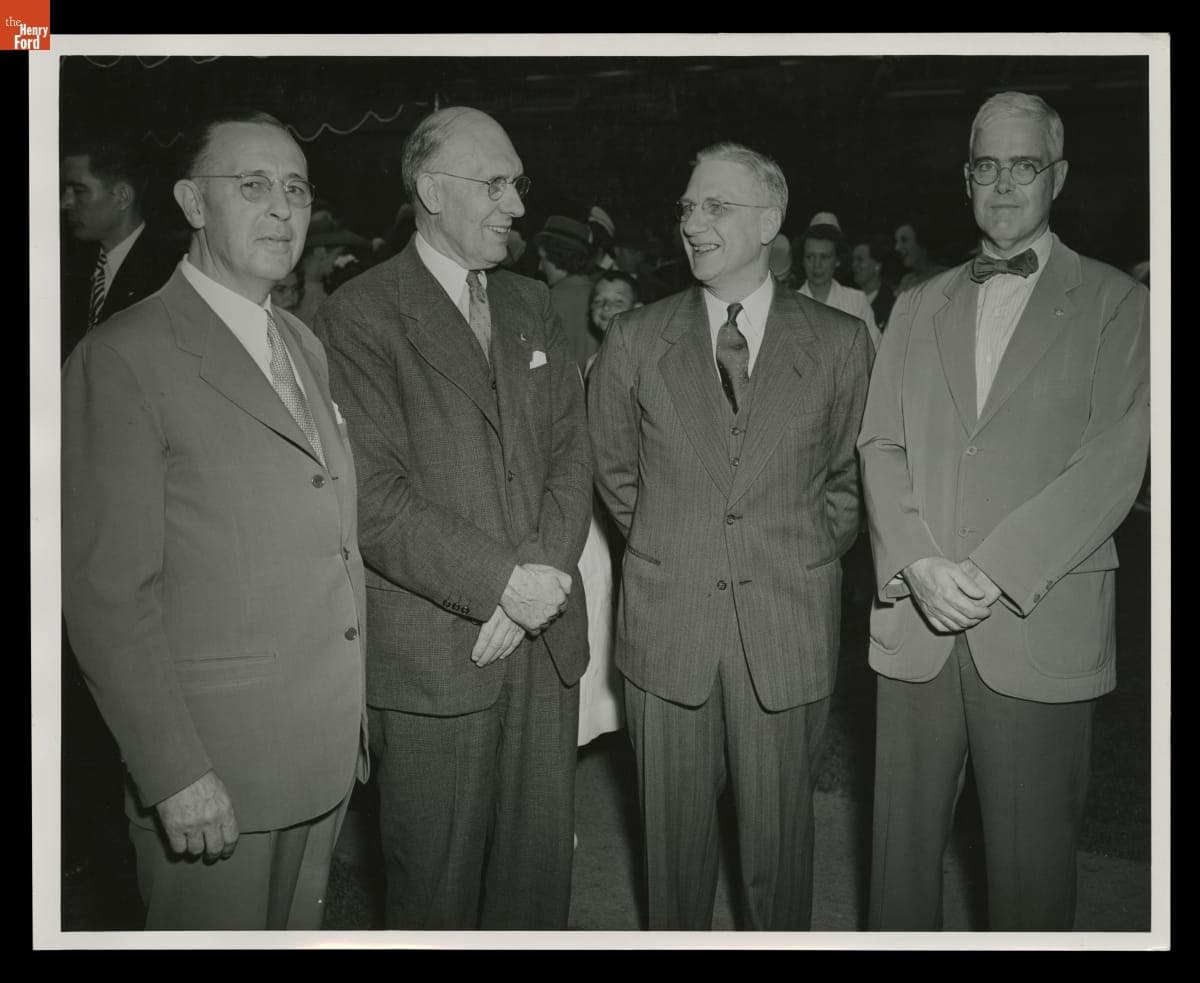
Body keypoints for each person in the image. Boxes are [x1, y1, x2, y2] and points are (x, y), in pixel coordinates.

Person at [60, 108, 369, 930]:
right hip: (217, 769)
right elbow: (105, 593)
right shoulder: (122, 357)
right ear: (194, 204)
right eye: (253, 185)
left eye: (297, 188)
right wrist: (172, 771)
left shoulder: (301, 341)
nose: (282, 208)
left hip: (319, 748)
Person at [858, 91, 1150, 931]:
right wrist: (916, 562)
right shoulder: (918, 305)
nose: (1005, 184)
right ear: (966, 180)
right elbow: (879, 443)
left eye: (1025, 166)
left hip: (1034, 621)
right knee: (897, 875)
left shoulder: (1120, 305)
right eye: (987, 166)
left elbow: (1116, 459)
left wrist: (992, 570)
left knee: (1029, 884)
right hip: (917, 624)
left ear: (1057, 176)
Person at [312, 106, 593, 930]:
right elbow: (376, 495)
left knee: (536, 891)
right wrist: (501, 583)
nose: (516, 203)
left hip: (544, 654)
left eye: (518, 182)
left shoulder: (535, 302)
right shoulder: (360, 313)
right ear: (432, 190)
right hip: (438, 662)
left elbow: (572, 453)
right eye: (495, 182)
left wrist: (535, 579)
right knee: (433, 896)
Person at [589, 141, 872, 930]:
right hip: (668, 630)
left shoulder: (841, 343)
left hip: (786, 628)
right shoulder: (637, 339)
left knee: (780, 858)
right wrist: (675, 545)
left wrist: (798, 553)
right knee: (672, 861)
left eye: (716, 205)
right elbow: (616, 475)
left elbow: (848, 483)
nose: (694, 222)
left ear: (769, 221)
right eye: (687, 207)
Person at [576, 271, 642, 749]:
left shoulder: (639, 357)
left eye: (619, 300)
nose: (607, 307)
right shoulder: (593, 360)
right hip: (596, 501)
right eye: (601, 300)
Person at [60, 129, 180, 361]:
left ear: (122, 197)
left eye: (78, 190)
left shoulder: (168, 274)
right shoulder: (73, 268)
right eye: (65, 191)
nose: (65, 203)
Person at [796, 219, 881, 349]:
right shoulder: (790, 304)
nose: (816, 265)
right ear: (802, 261)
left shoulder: (856, 301)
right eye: (810, 257)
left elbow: (874, 349)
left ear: (837, 261)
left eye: (824, 257)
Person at [535, 214, 599, 371]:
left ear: (557, 255)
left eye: (542, 258)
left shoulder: (547, 301)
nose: (540, 267)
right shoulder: (599, 295)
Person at [850, 234, 897, 332]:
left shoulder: (892, 305)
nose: (854, 265)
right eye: (853, 260)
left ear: (877, 266)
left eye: (860, 259)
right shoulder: (849, 299)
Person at [893, 218, 947, 293]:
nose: (897, 247)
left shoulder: (944, 275)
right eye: (897, 241)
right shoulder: (907, 280)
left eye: (904, 240)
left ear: (922, 241)